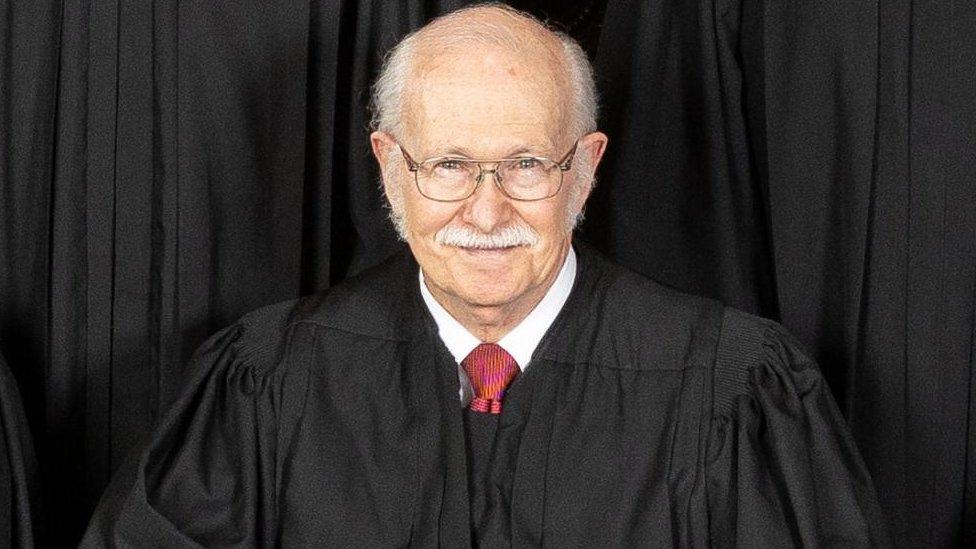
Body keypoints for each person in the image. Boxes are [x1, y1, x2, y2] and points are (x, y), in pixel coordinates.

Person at [82, 4, 889, 547]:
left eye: (526, 163)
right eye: (450, 164)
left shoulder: (734, 388)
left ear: (585, 169)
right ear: (390, 168)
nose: (485, 209)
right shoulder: (266, 382)